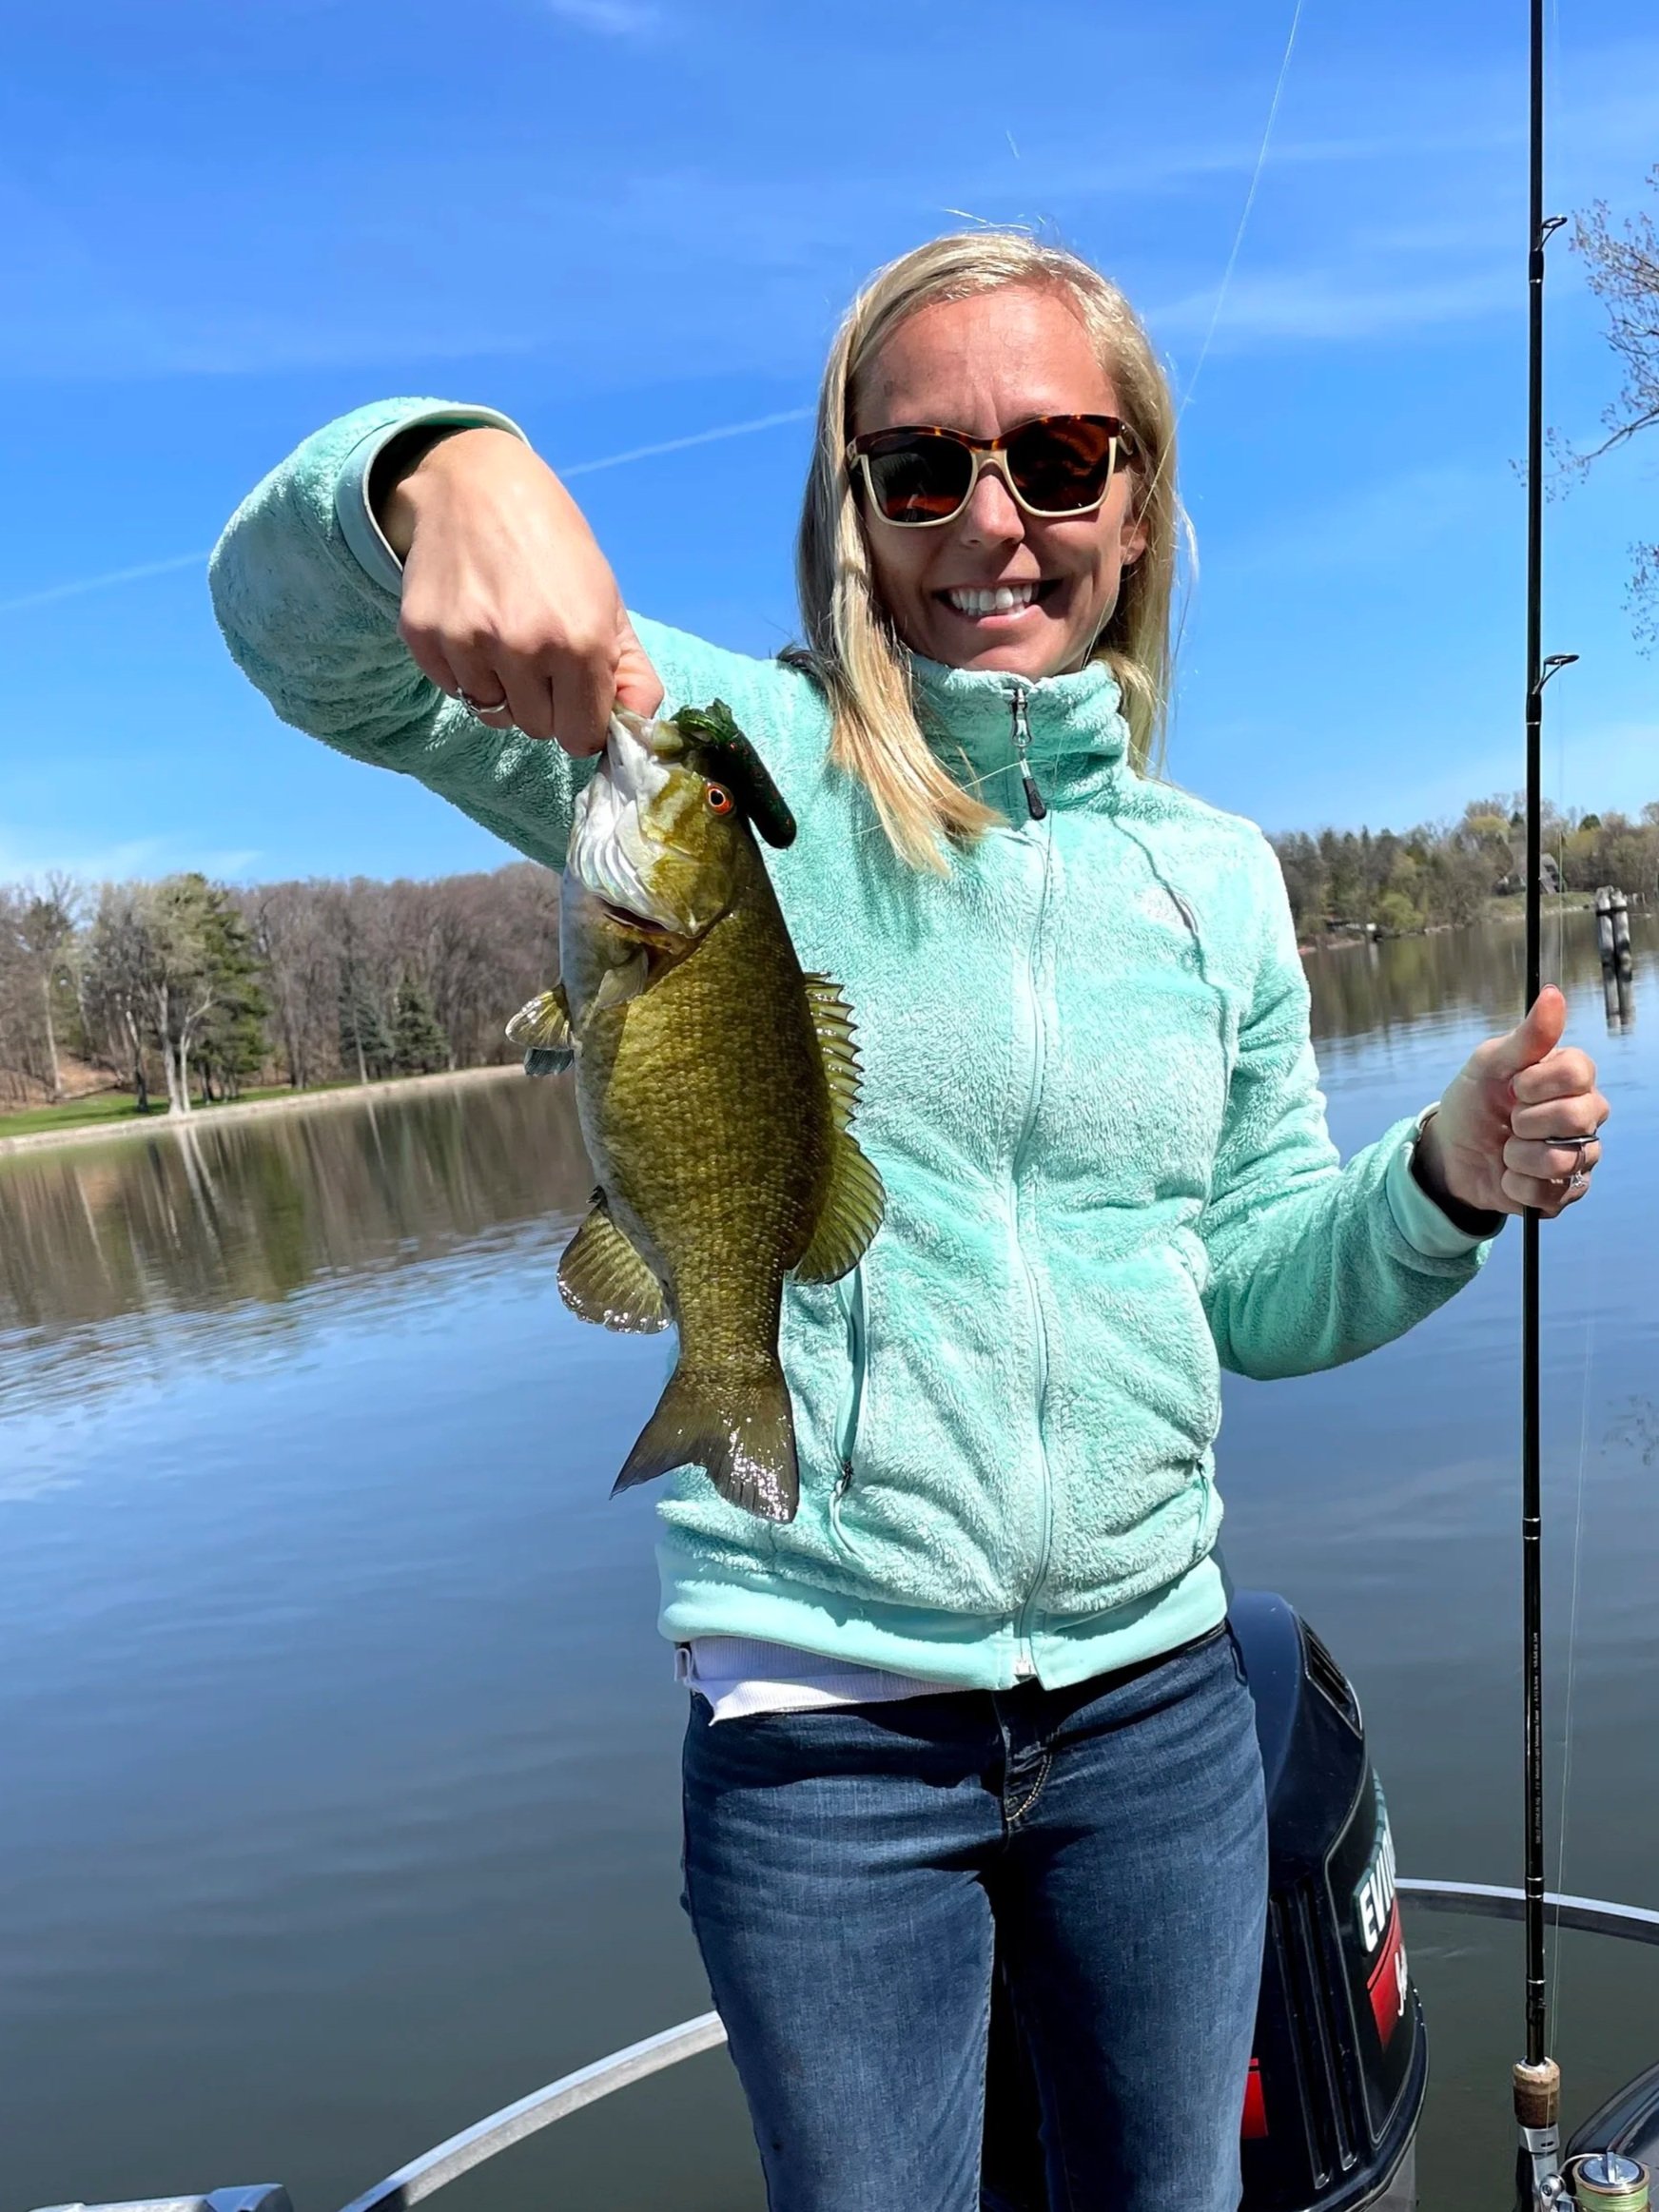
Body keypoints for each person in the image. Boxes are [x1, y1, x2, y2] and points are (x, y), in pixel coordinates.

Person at [211, 230, 1609, 2212]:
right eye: (917, 467)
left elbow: (1260, 1286)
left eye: (1053, 456)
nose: (992, 522)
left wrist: (1445, 1175)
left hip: (1159, 1715)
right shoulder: (715, 754)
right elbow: (302, 644)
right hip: (825, 1741)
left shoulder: (1214, 880)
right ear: (847, 506)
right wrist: (430, 468)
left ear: (1132, 499)